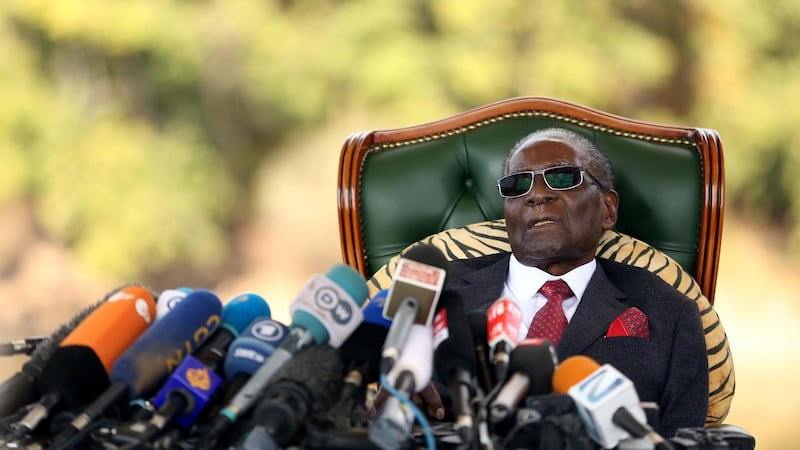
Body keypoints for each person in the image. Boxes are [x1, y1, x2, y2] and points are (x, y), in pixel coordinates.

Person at [370, 127, 709, 439]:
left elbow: (684, 440)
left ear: (608, 209)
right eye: (518, 185)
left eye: (562, 177)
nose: (537, 195)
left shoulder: (670, 313)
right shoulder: (435, 287)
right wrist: (390, 404)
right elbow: (370, 407)